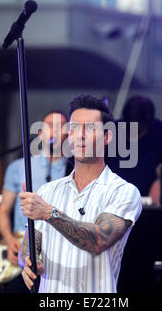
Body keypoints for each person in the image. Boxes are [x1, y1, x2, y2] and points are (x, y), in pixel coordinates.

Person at [18, 95, 142, 293]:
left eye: (90, 128)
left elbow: (99, 240)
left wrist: (50, 213)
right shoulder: (47, 191)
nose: (80, 135)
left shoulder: (123, 192)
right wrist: (28, 261)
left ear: (108, 136)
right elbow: (29, 244)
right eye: (74, 128)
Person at [0, 110, 73, 293]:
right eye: (49, 126)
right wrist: (8, 240)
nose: (54, 130)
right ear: (40, 134)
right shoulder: (19, 166)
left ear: (68, 134)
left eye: (60, 126)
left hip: (56, 253)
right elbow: (3, 210)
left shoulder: (73, 170)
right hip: (20, 250)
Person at [106, 95, 162, 198]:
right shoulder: (110, 131)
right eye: (129, 130)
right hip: (113, 196)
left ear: (149, 124)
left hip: (147, 198)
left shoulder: (160, 130)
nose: (134, 136)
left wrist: (159, 185)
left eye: (139, 132)